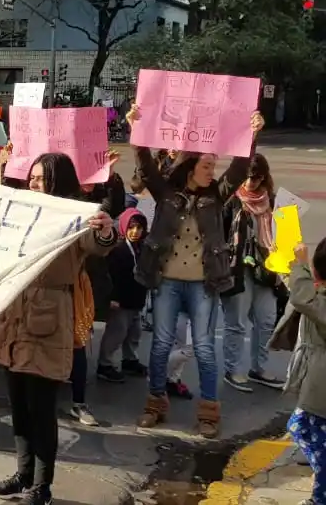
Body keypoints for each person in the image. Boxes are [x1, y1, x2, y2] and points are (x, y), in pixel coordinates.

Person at [0, 153, 117, 504]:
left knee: (41, 409)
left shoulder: (75, 214)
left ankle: (41, 485)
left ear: (57, 179)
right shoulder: (25, 209)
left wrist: (105, 230)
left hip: (48, 319)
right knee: (20, 406)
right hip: (16, 317)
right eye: (32, 177)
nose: (33, 183)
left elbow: (99, 242)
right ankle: (23, 474)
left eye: (41, 178)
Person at [130, 105, 264, 438]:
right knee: (160, 345)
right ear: (190, 167)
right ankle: (155, 404)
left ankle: (208, 412)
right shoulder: (167, 193)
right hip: (168, 282)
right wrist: (137, 130)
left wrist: (252, 135)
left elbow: (239, 168)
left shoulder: (216, 196)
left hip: (204, 284)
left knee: (204, 347)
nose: (212, 170)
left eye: (213, 165)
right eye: (206, 165)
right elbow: (146, 169)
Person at [221, 153, 286, 392]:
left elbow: (287, 234)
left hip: (267, 268)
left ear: (264, 177)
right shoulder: (231, 200)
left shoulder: (275, 201)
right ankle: (233, 369)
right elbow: (221, 233)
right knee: (236, 322)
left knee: (266, 320)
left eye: (257, 178)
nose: (252, 183)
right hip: (239, 267)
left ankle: (259, 368)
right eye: (249, 177)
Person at [275, 239, 326, 505]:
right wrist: (290, 267)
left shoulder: (317, 301)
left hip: (321, 394)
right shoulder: (318, 294)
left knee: (301, 426)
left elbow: (303, 297)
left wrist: (299, 265)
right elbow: (301, 291)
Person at [97, 208, 150, 383]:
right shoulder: (117, 249)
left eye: (139, 228)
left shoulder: (142, 248)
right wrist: (112, 297)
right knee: (116, 334)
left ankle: (130, 360)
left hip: (137, 299)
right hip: (121, 301)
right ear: (124, 227)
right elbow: (111, 275)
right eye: (131, 227)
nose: (135, 232)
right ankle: (105, 364)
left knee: (134, 333)